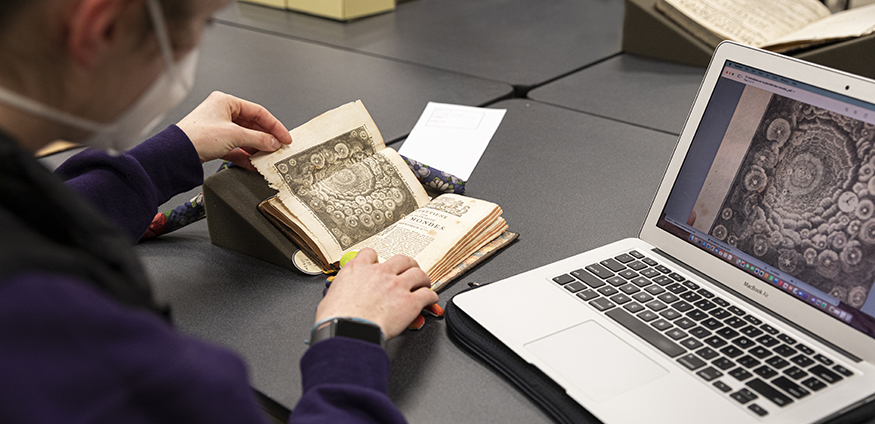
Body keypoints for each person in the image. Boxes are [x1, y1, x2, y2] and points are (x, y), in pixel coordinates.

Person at [0, 0, 439, 422]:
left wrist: (171, 154)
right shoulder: (84, 350)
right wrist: (350, 337)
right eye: (202, 23)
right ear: (103, 27)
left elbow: (33, 211)